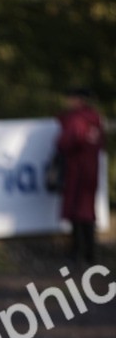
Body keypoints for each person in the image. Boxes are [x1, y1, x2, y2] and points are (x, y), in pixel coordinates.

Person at [55, 88, 105, 265]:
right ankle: (88, 251)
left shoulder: (77, 119)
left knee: (77, 210)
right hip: (91, 169)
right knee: (86, 210)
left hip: (77, 170)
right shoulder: (95, 118)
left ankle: (78, 251)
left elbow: (66, 142)